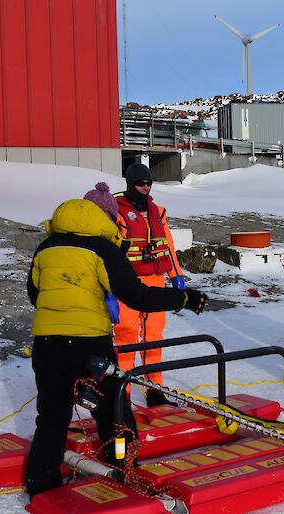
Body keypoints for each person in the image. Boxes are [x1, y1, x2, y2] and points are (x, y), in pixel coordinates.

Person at [25, 182, 207, 498]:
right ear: (108, 218)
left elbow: (34, 294)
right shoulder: (103, 249)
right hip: (89, 344)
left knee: (52, 418)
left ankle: (41, 484)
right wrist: (183, 298)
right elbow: (136, 295)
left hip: (46, 344)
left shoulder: (46, 247)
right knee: (114, 408)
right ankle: (121, 467)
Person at [113, 163, 186, 407]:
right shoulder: (116, 212)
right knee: (127, 336)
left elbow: (168, 245)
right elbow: (110, 250)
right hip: (128, 283)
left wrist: (176, 275)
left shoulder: (158, 212)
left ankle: (155, 389)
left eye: (148, 184)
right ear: (130, 184)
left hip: (155, 280)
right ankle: (121, 393)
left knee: (154, 336)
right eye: (140, 184)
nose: (145, 188)